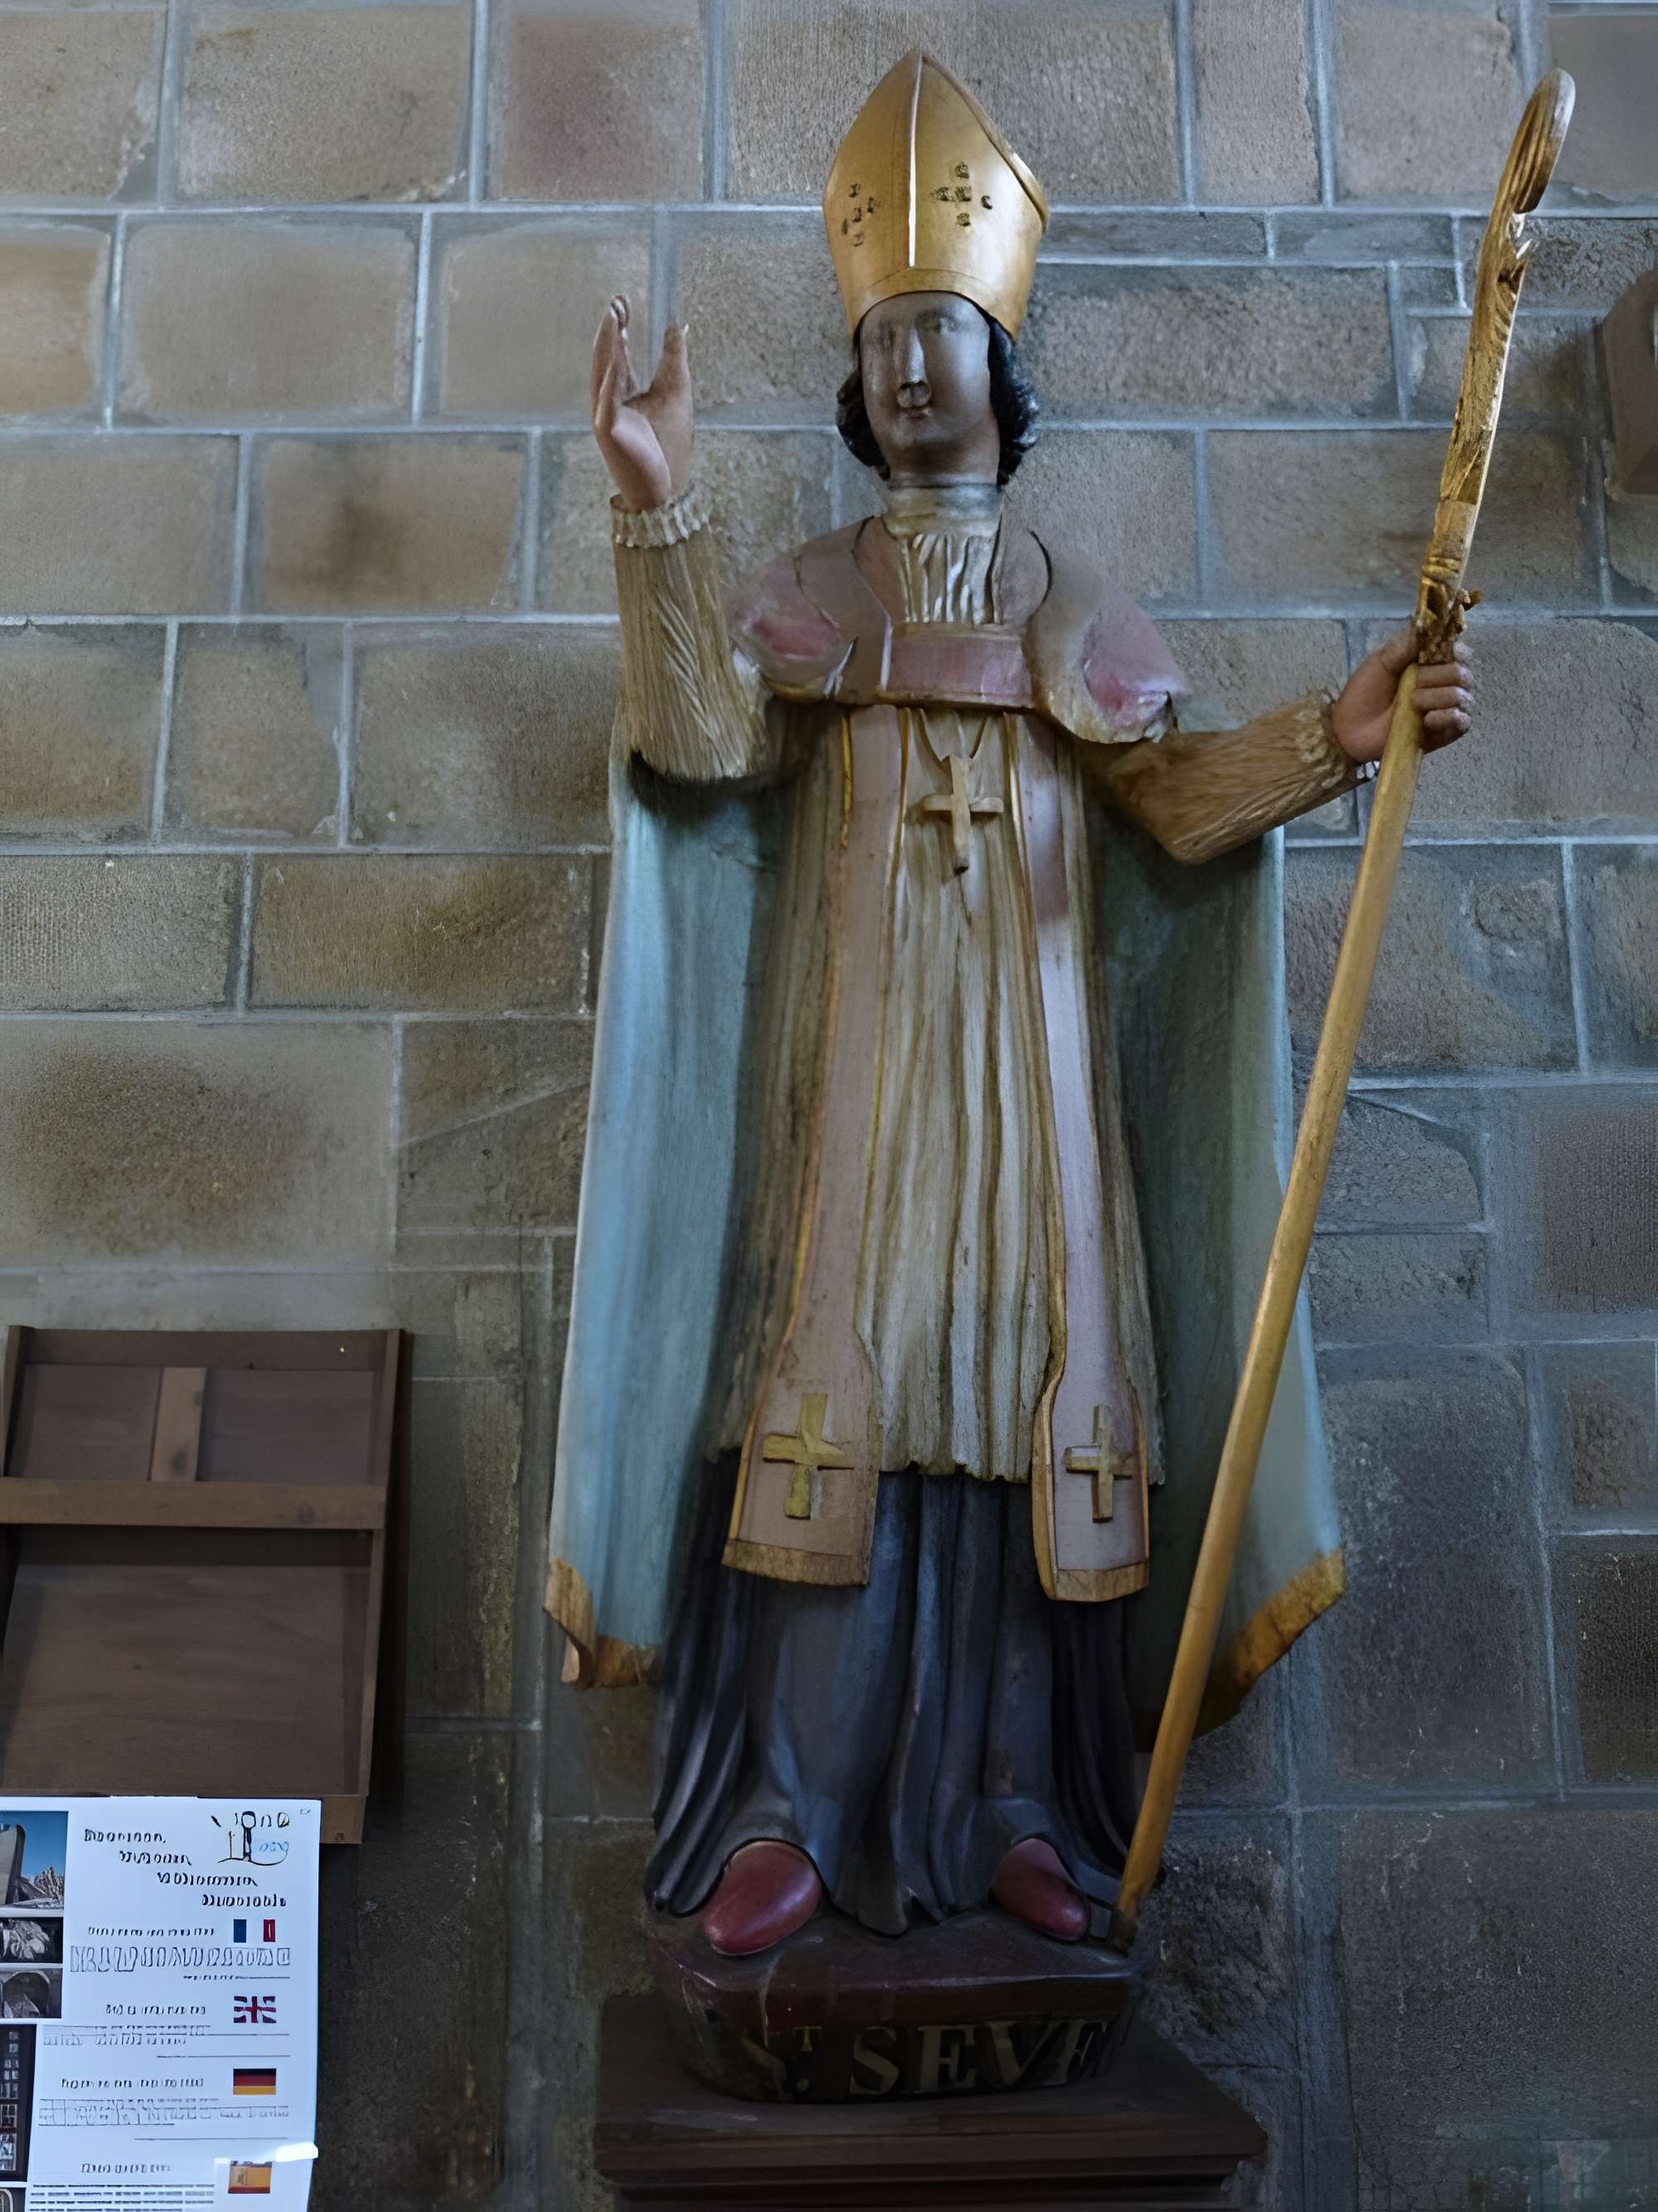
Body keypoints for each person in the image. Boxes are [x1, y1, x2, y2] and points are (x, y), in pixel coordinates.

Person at [549, 50, 1472, 1960]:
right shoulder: (804, 583)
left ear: (999, 362)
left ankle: (1020, 1802)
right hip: (863, 1085)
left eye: (938, 331)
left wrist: (1335, 736)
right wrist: (658, 515)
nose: (904, 365)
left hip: (1038, 1092)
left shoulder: (1074, 597)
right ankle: (785, 1812)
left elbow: (1172, 793)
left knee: (1025, 1410)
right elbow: (701, 736)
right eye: (881, 332)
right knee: (842, 1402)